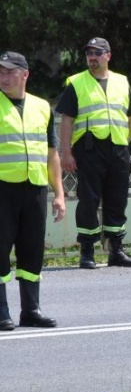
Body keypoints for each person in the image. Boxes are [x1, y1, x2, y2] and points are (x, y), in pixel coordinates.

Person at [56, 37, 131, 269]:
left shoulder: (121, 82)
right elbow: (66, 121)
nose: (92, 57)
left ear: (108, 55)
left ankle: (115, 250)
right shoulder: (76, 83)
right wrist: (66, 153)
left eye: (97, 53)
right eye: (89, 53)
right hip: (89, 149)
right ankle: (87, 251)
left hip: (117, 147)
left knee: (118, 199)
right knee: (89, 200)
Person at [0, 52, 65, 330]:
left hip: (35, 188)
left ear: (25, 74)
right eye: (0, 72)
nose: (4, 77)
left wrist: (59, 193)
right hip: (3, 189)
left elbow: (52, 154)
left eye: (10, 72)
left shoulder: (42, 107)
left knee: (32, 250)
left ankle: (31, 309)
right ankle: (2, 311)